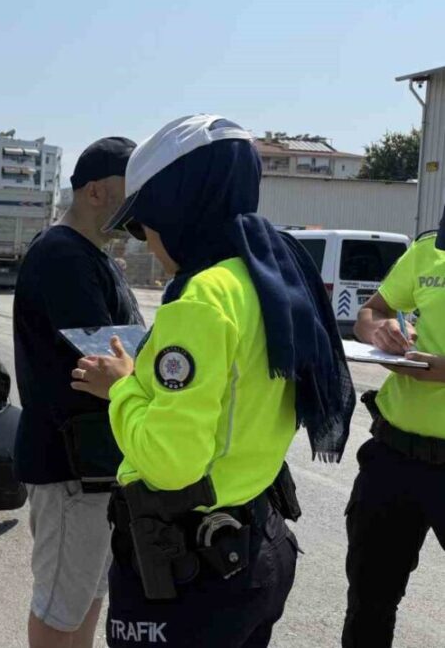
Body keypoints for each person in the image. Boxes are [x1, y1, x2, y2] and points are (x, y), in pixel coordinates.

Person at [72, 115, 355, 647]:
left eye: (142, 223)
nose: (144, 241)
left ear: (177, 209)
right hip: (255, 544)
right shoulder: (268, 272)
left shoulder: (200, 300)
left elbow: (171, 462)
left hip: (190, 575)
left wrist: (123, 387)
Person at [13, 137, 144, 648]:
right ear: (95, 191)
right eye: (129, 190)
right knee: (60, 606)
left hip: (94, 466)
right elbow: (110, 359)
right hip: (70, 467)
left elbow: (129, 358)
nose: (138, 203)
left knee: (87, 596)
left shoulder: (94, 257)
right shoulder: (62, 256)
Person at [342, 218, 445, 647]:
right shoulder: (428, 252)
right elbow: (372, 310)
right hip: (394, 457)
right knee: (370, 601)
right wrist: (379, 332)